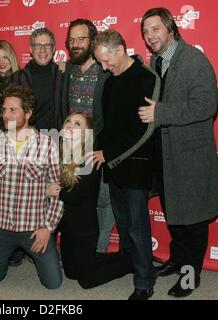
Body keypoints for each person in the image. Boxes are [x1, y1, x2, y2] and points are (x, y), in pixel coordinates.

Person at [139, 7, 218, 298]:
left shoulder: (194, 61)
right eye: (146, 32)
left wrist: (160, 112)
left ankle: (190, 276)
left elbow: (206, 106)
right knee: (174, 213)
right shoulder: (156, 61)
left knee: (193, 219)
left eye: (156, 29)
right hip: (165, 153)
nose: (151, 36)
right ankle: (177, 259)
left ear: (171, 28)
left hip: (190, 155)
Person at [91, 29, 160, 300]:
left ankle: (144, 281)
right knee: (123, 222)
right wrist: (101, 150)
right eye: (99, 63)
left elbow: (144, 131)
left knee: (137, 227)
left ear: (120, 49)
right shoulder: (110, 81)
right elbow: (108, 125)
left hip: (136, 165)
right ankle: (129, 265)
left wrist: (109, 154)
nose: (104, 67)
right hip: (114, 165)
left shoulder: (146, 78)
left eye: (106, 61)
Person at [0, 85, 63, 289]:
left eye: (13, 110)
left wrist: (48, 228)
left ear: (28, 113)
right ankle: (12, 252)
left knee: (53, 283)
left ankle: (35, 252)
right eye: (5, 110)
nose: (6, 115)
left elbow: (58, 193)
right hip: (1, 227)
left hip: (34, 227)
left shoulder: (48, 145)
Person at [47, 112, 132, 289]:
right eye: (68, 121)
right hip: (67, 228)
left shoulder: (90, 159)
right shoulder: (60, 153)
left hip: (84, 230)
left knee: (86, 281)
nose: (70, 125)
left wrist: (55, 191)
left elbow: (75, 197)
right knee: (71, 274)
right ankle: (110, 258)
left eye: (77, 124)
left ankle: (129, 262)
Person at [9, 27, 64, 265]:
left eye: (47, 45)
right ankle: (21, 245)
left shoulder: (64, 74)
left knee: (54, 194)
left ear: (54, 49)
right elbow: (11, 114)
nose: (42, 50)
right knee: (26, 195)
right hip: (28, 145)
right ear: (30, 49)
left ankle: (50, 240)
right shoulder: (18, 77)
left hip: (57, 144)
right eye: (37, 45)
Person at [61, 18, 114, 254]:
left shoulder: (106, 70)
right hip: (72, 148)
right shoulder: (66, 71)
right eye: (71, 40)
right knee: (77, 201)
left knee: (104, 201)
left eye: (80, 39)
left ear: (92, 41)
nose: (75, 44)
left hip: (100, 148)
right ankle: (79, 248)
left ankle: (98, 250)